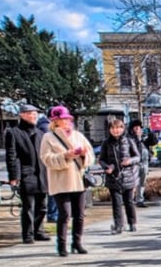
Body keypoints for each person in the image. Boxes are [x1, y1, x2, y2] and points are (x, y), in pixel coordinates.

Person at [40, 106, 95, 256]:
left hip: (78, 178)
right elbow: (45, 158)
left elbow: (89, 153)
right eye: (62, 119)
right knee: (64, 214)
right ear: (55, 121)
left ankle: (77, 242)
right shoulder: (48, 137)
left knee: (80, 214)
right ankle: (61, 245)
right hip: (60, 180)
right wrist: (65, 155)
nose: (66, 122)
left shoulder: (78, 135)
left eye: (67, 119)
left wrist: (83, 155)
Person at [5, 104, 50, 244]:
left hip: (42, 173)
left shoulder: (41, 133)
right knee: (28, 206)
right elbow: (12, 155)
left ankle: (39, 230)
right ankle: (28, 234)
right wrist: (14, 176)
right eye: (31, 113)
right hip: (26, 173)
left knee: (42, 205)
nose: (34, 116)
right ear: (23, 115)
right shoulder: (14, 132)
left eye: (36, 113)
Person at [98, 118, 141, 234]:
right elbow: (101, 159)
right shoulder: (106, 143)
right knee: (116, 203)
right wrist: (107, 167)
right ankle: (118, 225)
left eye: (118, 128)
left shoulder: (129, 141)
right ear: (110, 130)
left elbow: (137, 157)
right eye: (113, 128)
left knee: (129, 201)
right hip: (113, 177)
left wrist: (130, 161)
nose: (116, 130)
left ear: (123, 129)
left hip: (128, 176)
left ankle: (132, 223)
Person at [127, 119, 158, 207]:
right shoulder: (130, 138)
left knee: (142, 182)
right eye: (136, 128)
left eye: (139, 128)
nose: (138, 129)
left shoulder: (144, 138)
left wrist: (150, 131)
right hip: (134, 164)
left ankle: (139, 200)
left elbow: (154, 142)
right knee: (132, 183)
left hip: (144, 164)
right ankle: (130, 200)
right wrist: (137, 138)